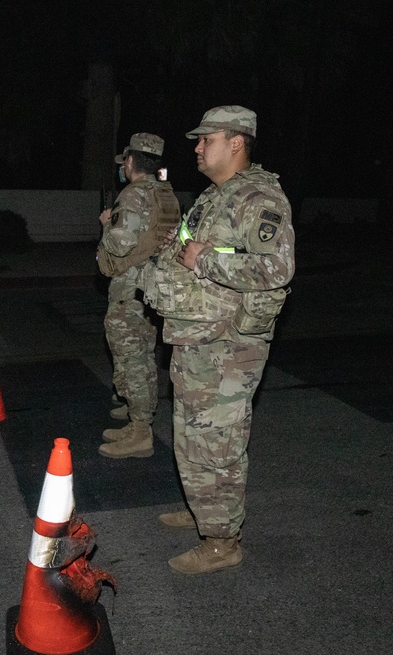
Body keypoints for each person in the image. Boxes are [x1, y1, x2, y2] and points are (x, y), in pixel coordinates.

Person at [142, 106, 294, 574]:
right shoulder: (215, 196)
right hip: (197, 338)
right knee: (190, 435)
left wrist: (203, 260)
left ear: (236, 142)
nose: (197, 146)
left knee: (219, 442)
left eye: (207, 138)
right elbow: (191, 246)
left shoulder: (259, 200)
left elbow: (276, 270)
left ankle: (222, 541)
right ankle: (203, 509)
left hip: (230, 348)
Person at [95, 133, 181, 459]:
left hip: (130, 288)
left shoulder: (133, 196)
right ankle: (138, 418)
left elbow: (119, 244)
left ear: (130, 161)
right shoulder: (167, 195)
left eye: (124, 162)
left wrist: (106, 225)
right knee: (144, 355)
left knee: (132, 358)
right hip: (154, 287)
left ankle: (141, 432)